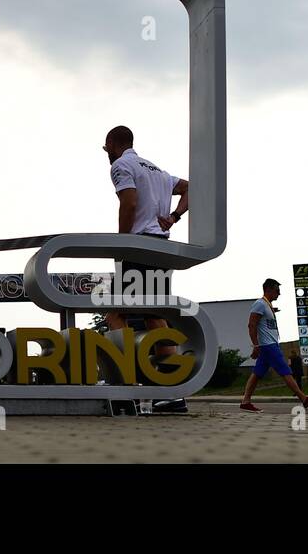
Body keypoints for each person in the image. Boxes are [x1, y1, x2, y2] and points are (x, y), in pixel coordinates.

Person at [102, 125, 187, 412]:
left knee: (116, 312)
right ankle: (172, 392)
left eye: (105, 149)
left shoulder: (121, 166)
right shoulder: (157, 171)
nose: (106, 155)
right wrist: (174, 216)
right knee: (155, 316)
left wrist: (121, 244)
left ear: (113, 144)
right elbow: (191, 187)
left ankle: (125, 389)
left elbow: (129, 203)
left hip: (137, 246)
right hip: (161, 247)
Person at [241, 279, 308, 413]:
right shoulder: (259, 304)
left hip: (269, 345)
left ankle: (246, 401)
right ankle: (305, 399)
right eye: (277, 290)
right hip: (268, 346)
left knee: (256, 374)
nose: (279, 293)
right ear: (268, 289)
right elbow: (251, 325)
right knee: (285, 371)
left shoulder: (267, 306)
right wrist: (256, 345)